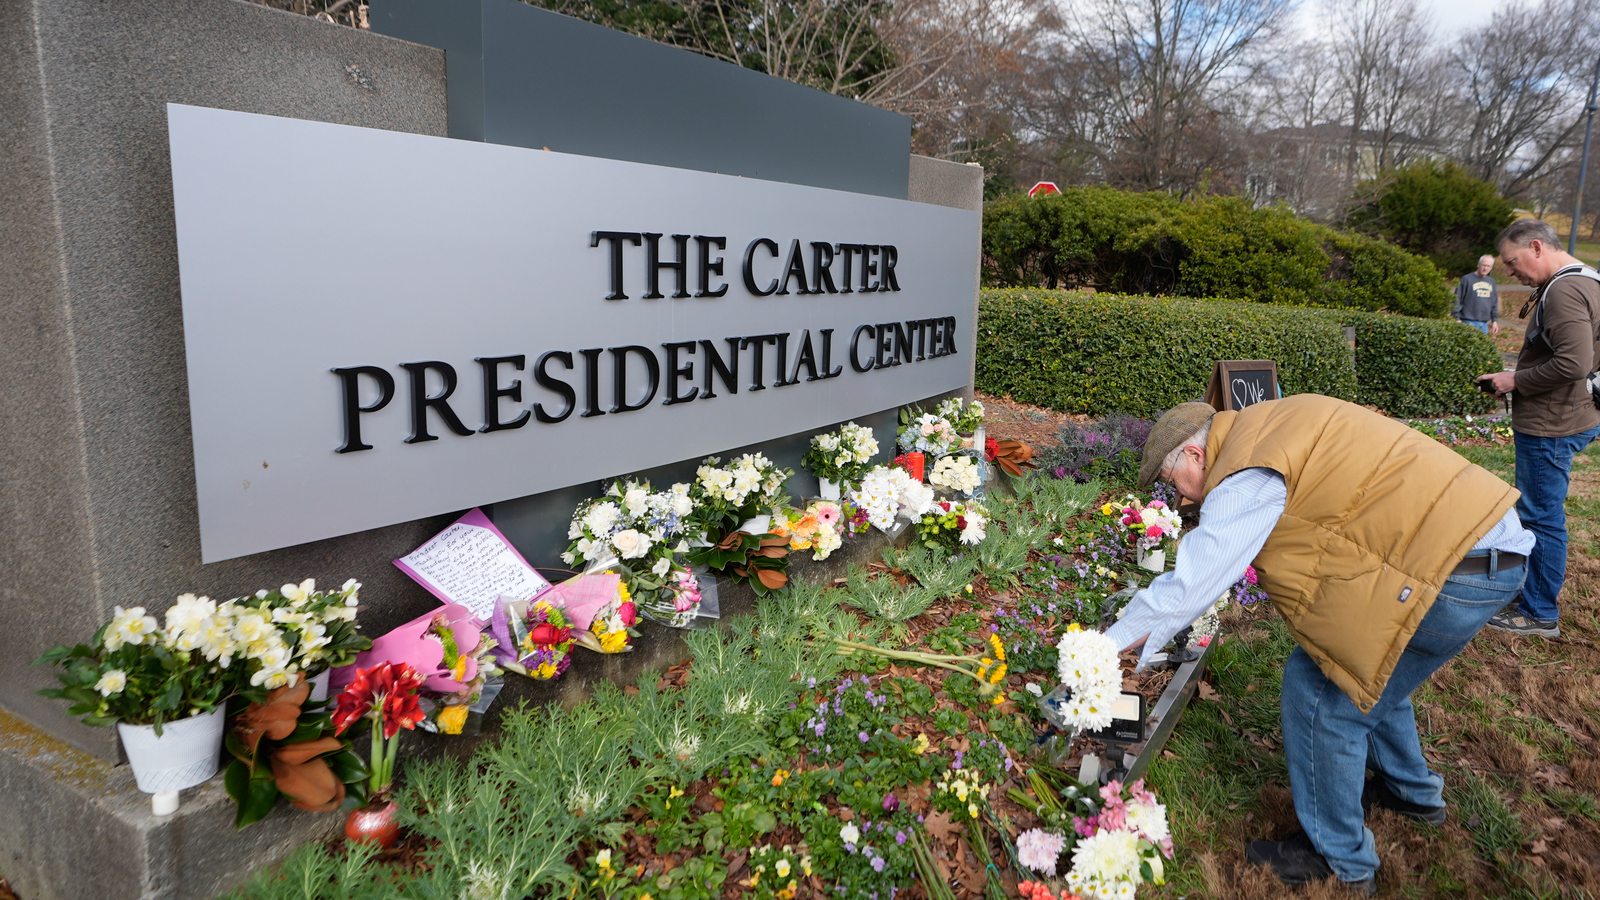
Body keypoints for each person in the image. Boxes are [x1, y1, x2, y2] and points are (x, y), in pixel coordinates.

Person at [1105, 395, 1534, 896]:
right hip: (1482, 549)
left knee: (1321, 694)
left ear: (1195, 457)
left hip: (1456, 570)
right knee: (1361, 659)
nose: (1177, 499)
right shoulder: (1266, 428)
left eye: (1168, 481)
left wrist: (1104, 649)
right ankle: (1412, 792)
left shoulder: (1246, 472)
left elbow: (1191, 586)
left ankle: (1340, 861)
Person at [1476, 218, 1600, 638]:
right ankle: (1530, 595)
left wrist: (1515, 380)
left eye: (1512, 262)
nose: (1509, 272)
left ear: (1536, 246)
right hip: (1567, 414)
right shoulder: (1585, 279)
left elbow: (1573, 363)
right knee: (1538, 512)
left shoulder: (1564, 290)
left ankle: (1538, 612)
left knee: (1541, 518)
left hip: (1552, 424)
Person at [1453, 255, 1501, 335]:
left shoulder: (1491, 282)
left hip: (1484, 324)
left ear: (1491, 268)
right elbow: (1457, 299)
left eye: (1488, 266)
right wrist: (1457, 318)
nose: (1485, 268)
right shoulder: (1466, 279)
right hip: (1467, 322)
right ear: (1478, 264)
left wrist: (1494, 321)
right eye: (1483, 265)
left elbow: (1494, 303)